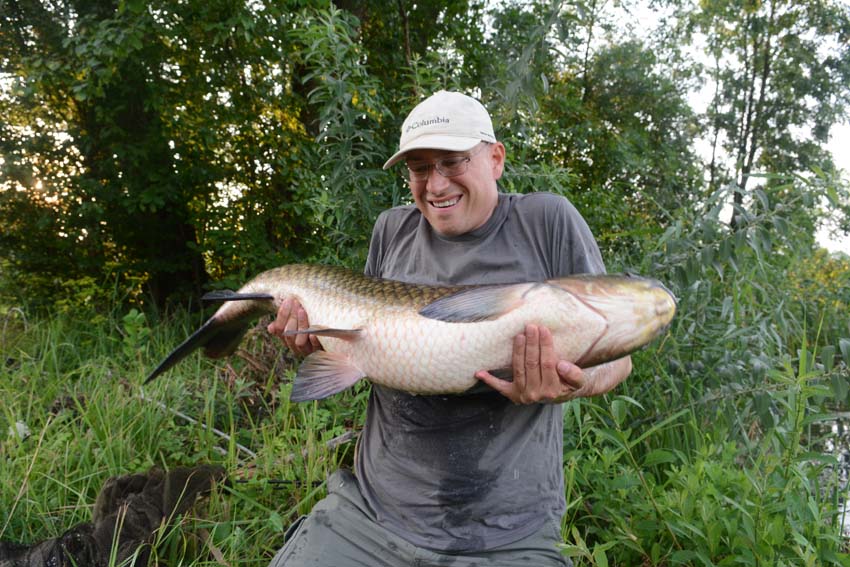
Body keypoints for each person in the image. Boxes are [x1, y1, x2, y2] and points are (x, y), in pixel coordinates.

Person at [266, 90, 632, 567]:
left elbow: (618, 357)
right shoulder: (391, 230)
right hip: (371, 513)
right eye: (419, 168)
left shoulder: (548, 221)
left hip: (508, 532)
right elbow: (364, 343)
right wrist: (315, 342)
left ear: (495, 159)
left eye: (452, 162)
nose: (435, 185)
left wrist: (576, 382)